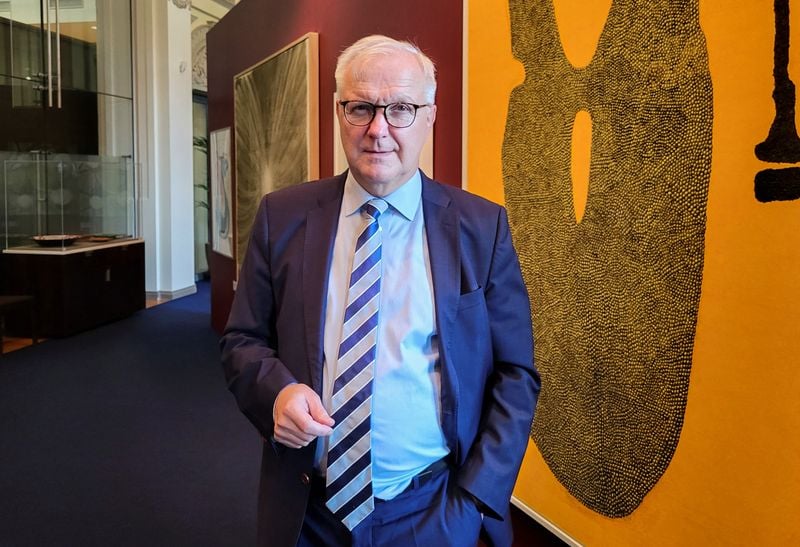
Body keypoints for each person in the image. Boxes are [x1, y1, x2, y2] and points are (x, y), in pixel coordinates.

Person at [220, 34, 540, 547]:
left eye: (401, 109)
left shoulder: (482, 228)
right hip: (306, 510)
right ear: (338, 112)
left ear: (430, 116)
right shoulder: (282, 217)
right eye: (361, 107)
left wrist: (476, 498)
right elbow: (242, 340)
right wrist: (275, 392)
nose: (378, 129)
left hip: (432, 512)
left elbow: (516, 373)